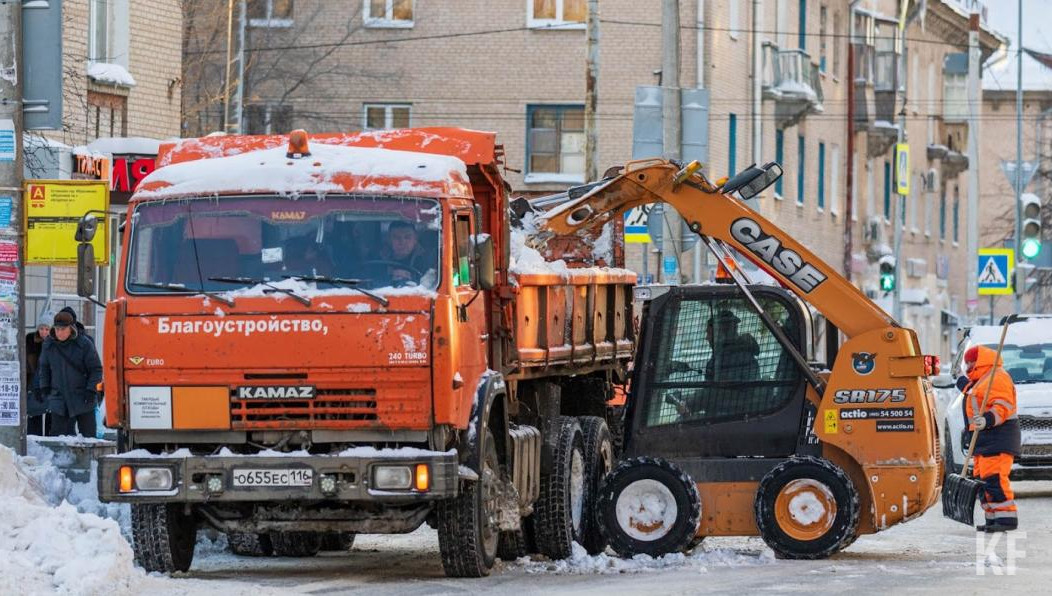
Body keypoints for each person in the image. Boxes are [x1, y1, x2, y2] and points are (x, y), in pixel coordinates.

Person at [958, 345, 1021, 532]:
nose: (968, 365)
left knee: (994, 479)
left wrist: (987, 419)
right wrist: (962, 382)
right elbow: (975, 394)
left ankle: (1006, 519)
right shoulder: (982, 379)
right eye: (966, 363)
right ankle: (993, 518)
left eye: (970, 362)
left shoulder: (997, 377)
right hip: (984, 439)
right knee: (982, 479)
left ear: (980, 362)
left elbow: (1002, 404)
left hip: (998, 437)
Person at [37, 310, 103, 438]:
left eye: (63, 329)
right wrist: (44, 387)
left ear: (71, 328)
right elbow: (44, 367)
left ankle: (88, 459)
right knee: (59, 439)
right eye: (57, 329)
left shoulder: (84, 344)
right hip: (58, 398)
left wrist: (91, 390)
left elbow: (96, 369)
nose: (59, 332)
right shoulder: (49, 344)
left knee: (88, 437)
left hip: (83, 397)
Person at [25, 314, 52, 436]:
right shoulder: (30, 340)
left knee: (50, 413)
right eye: (41, 328)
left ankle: (49, 438)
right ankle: (34, 440)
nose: (44, 332)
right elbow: (26, 363)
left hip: (49, 382)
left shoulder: (54, 343)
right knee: (34, 412)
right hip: (32, 381)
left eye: (47, 329)